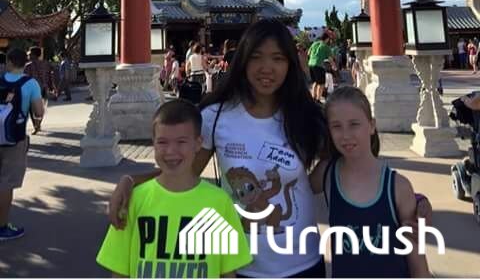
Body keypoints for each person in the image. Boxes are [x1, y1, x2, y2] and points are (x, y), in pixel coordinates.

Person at [108, 21, 433, 278]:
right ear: (242, 60)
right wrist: (131, 182)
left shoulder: (307, 117)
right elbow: (180, 176)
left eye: (278, 58)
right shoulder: (216, 116)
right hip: (239, 265)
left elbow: (352, 166)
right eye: (257, 57)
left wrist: (411, 201)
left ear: (290, 64)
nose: (267, 67)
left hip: (302, 264)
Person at [97, 99, 252, 278]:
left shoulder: (219, 202)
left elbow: (228, 272)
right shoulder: (134, 201)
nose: (171, 151)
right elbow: (119, 270)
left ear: (198, 143)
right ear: (153, 143)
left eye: (181, 142)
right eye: (163, 142)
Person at [310, 86, 430, 278]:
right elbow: (293, 188)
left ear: (372, 125)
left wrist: (419, 201)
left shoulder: (398, 186)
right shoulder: (326, 173)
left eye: (354, 124)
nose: (346, 135)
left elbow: (418, 265)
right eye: (336, 126)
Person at [0, 48, 44, 241]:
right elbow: (38, 112)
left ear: (9, 62)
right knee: (6, 183)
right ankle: (2, 227)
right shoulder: (30, 84)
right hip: (14, 140)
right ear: (25, 63)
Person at [307, 31, 333, 102]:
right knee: (321, 83)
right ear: (327, 39)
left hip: (311, 64)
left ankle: (313, 97)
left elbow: (308, 53)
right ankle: (318, 99)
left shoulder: (314, 43)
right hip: (318, 65)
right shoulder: (325, 46)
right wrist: (333, 66)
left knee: (315, 82)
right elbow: (330, 59)